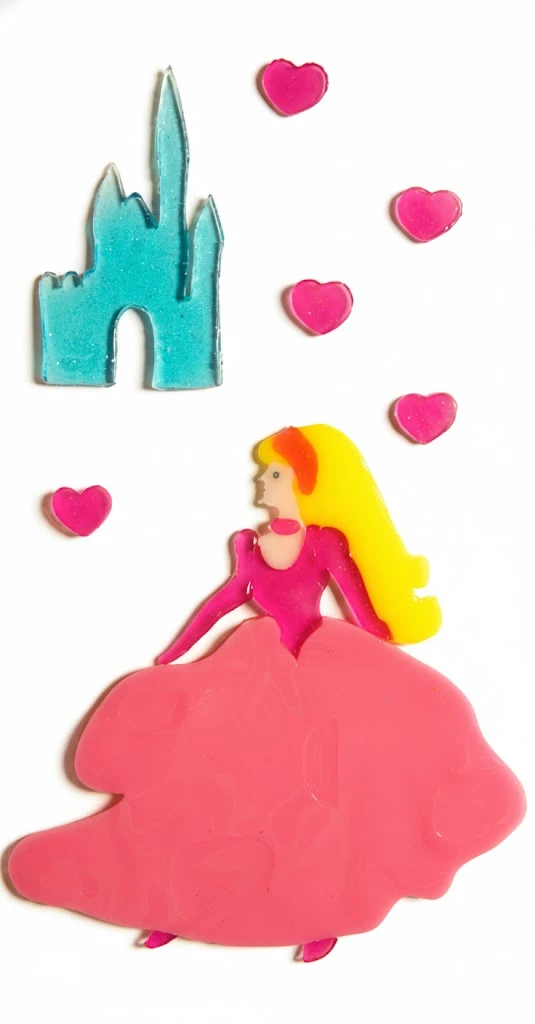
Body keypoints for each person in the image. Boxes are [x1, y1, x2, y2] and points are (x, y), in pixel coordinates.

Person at [9, 425, 525, 962]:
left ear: (304, 482)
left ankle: (305, 902)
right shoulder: (251, 546)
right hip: (259, 659)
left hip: (311, 665)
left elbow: (355, 599)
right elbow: (226, 600)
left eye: (273, 473)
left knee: (307, 783)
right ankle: (169, 889)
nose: (261, 483)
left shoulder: (323, 545)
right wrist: (177, 650)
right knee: (222, 770)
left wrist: (366, 651)